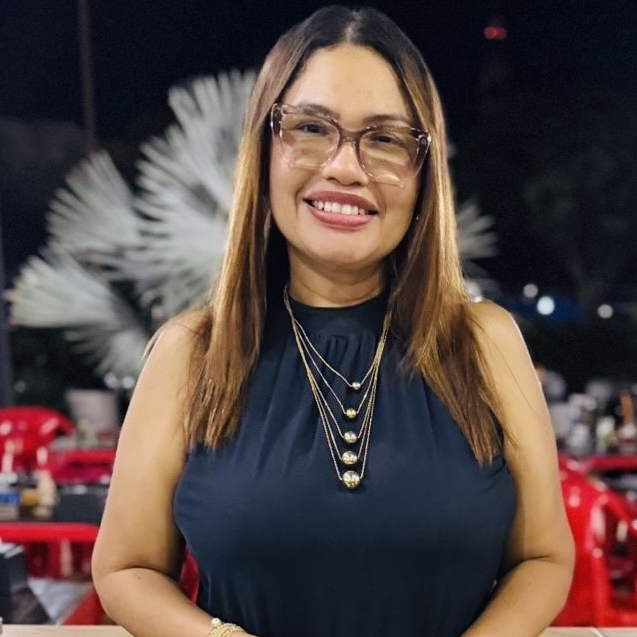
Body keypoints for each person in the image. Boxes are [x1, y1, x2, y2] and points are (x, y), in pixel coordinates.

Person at [91, 6, 574, 637]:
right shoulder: (191, 352)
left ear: (423, 174)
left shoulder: (486, 344)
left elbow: (543, 558)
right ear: (265, 150)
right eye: (311, 128)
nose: (346, 167)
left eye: (386, 138)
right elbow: (126, 567)